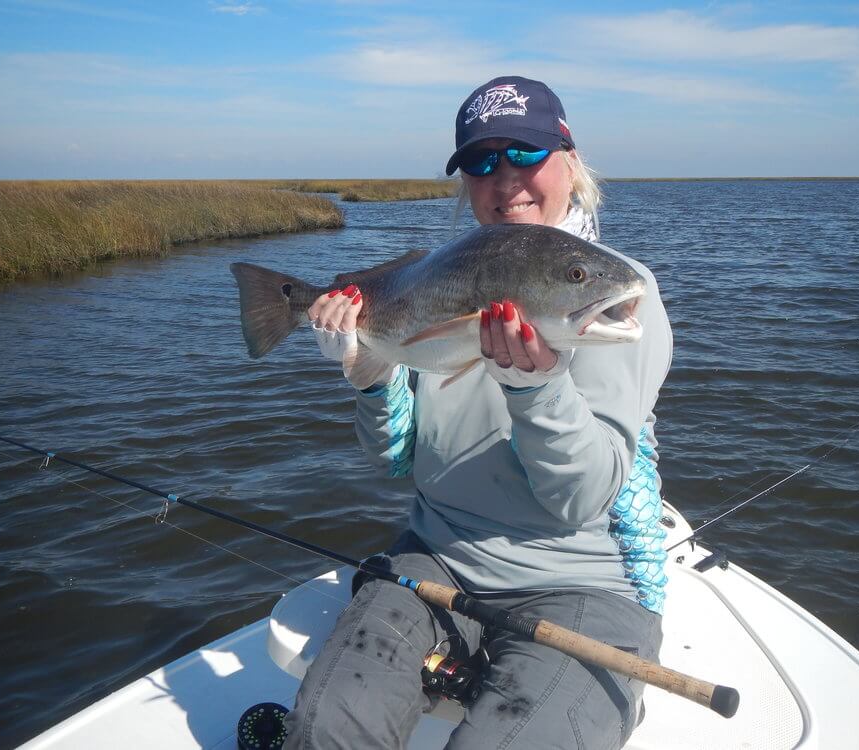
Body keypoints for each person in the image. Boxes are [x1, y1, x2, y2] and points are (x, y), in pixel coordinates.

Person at [283, 75, 672, 750]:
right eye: (482, 161)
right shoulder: (443, 276)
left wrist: (537, 388)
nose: (506, 178)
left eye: (525, 154)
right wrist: (371, 374)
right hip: (437, 558)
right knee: (323, 729)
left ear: (569, 160)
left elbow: (580, 496)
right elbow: (397, 460)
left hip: (586, 585)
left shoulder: (619, 296)